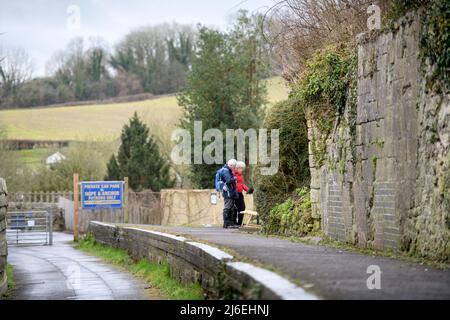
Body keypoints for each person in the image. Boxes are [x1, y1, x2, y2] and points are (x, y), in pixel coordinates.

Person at [220, 159, 239, 229]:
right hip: (228, 192)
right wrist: (234, 178)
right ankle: (226, 224)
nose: (234, 168)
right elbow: (228, 180)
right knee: (227, 207)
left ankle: (231, 223)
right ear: (231, 165)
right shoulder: (225, 171)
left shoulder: (228, 170)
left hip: (230, 191)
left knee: (232, 207)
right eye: (234, 166)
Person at [234, 161, 249, 226]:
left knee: (242, 207)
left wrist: (248, 190)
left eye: (242, 168)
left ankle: (240, 223)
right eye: (240, 168)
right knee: (235, 208)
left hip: (240, 193)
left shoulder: (241, 176)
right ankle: (234, 222)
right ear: (236, 168)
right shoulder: (233, 174)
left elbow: (242, 185)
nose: (241, 169)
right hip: (235, 193)